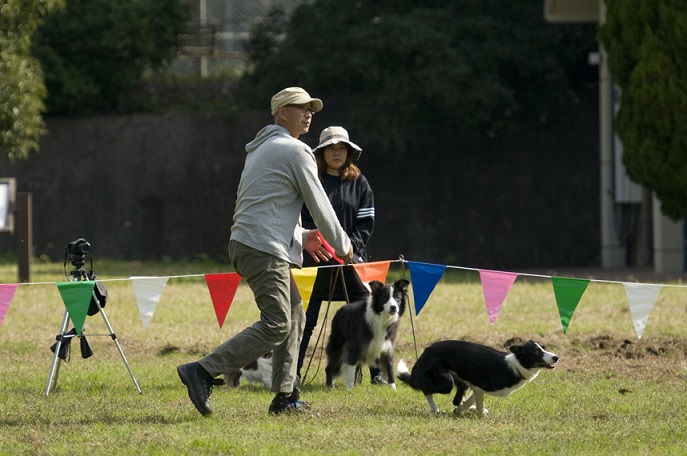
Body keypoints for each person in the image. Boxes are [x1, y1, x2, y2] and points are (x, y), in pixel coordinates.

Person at [176, 87, 353, 416]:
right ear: (281, 112)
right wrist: (344, 246)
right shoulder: (295, 150)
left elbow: (268, 206)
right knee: (277, 323)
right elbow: (320, 205)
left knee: (295, 316)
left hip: (250, 243)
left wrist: (302, 236)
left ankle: (285, 396)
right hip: (263, 247)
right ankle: (201, 371)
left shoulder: (261, 149)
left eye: (311, 108)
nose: (309, 113)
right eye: (301, 107)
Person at [295, 126, 380, 384]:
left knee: (371, 316)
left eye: (342, 148)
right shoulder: (311, 181)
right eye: (331, 148)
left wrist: (349, 248)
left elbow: (366, 223)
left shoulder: (360, 183)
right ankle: (292, 374)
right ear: (321, 153)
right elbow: (303, 219)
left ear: (349, 153)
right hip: (317, 261)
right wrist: (328, 248)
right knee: (305, 320)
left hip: (352, 262)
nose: (336, 153)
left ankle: (377, 374)